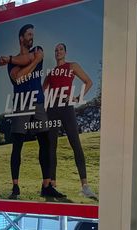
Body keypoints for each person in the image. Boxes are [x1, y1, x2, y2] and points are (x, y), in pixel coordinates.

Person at [0, 24, 66, 201]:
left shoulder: (37, 50)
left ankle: (47, 186)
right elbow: (19, 77)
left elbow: (26, 62)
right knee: (17, 144)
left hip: (38, 102)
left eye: (32, 34)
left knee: (45, 142)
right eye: (28, 34)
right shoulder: (14, 63)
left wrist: (12, 59)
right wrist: (33, 62)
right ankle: (15, 186)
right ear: (21, 38)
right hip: (21, 102)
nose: (31, 37)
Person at [43, 43, 97, 200]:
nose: (58, 52)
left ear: (65, 52)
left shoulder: (72, 66)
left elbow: (88, 82)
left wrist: (76, 98)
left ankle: (85, 186)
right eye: (56, 50)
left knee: (75, 143)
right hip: (52, 108)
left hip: (66, 106)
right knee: (51, 145)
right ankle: (52, 185)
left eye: (60, 49)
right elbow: (43, 89)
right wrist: (46, 104)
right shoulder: (51, 72)